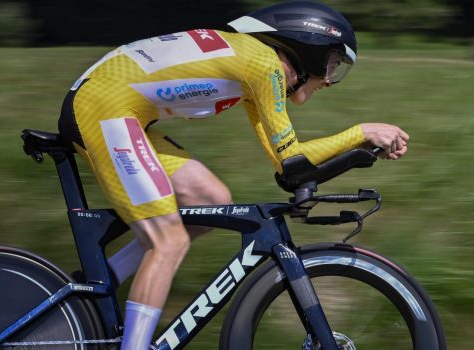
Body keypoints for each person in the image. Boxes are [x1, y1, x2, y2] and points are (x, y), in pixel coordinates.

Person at [57, 1, 408, 348]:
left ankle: (98, 283)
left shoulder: (256, 66)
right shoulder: (263, 64)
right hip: (104, 110)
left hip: (118, 108)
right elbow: (293, 161)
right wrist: (362, 132)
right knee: (169, 241)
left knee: (211, 201)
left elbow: (288, 162)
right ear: (309, 48)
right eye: (333, 65)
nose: (330, 81)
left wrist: (361, 144)